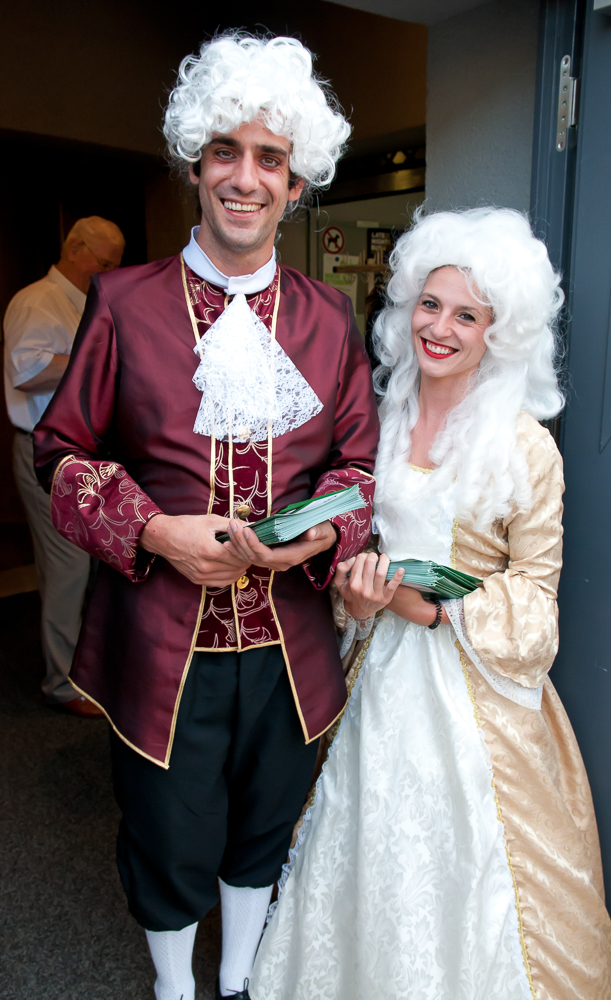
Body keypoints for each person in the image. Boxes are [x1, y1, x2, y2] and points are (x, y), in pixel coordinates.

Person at [33, 32, 378, 1000]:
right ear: (194, 163)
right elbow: (61, 455)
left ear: (296, 183)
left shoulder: (329, 317)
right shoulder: (122, 301)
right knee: (166, 827)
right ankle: (175, 988)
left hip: (290, 641)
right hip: (157, 638)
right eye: (226, 151)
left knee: (266, 821)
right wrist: (155, 530)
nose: (245, 177)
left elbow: (359, 467)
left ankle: (236, 980)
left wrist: (323, 533)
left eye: (270, 158)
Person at [250, 208, 611, 1000]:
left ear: (499, 332)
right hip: (376, 678)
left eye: (467, 315)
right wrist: (356, 597)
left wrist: (437, 610)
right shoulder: (376, 423)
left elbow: (538, 600)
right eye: (429, 304)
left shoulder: (526, 447)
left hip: (475, 701)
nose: (440, 328)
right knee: (364, 847)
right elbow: (350, 545)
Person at [3, 216, 125, 714]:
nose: (107, 272)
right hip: (45, 454)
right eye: (103, 262)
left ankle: (87, 669)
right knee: (67, 567)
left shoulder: (83, 300)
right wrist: (95, 355)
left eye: (114, 265)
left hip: (85, 456)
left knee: (93, 564)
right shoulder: (38, 301)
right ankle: (62, 684)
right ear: (74, 248)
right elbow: (26, 369)